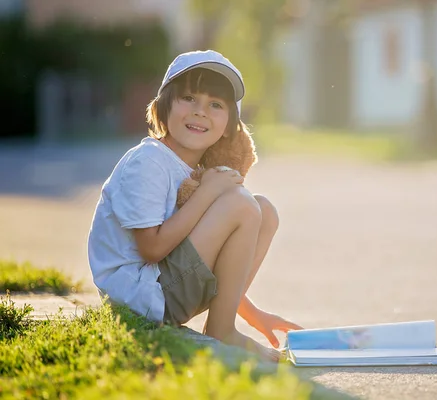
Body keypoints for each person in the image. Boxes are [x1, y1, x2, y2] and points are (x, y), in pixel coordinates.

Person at [87, 50, 301, 362]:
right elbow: (152, 248)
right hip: (140, 296)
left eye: (215, 105)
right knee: (241, 206)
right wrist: (206, 193)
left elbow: (217, 253)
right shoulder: (148, 162)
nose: (200, 112)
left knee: (263, 209)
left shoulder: (192, 170)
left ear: (229, 125)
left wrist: (253, 313)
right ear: (163, 106)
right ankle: (222, 331)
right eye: (189, 98)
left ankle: (225, 321)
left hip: (166, 287)